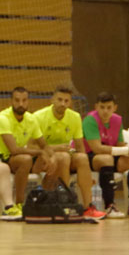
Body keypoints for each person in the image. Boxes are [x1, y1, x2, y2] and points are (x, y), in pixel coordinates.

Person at [34, 85, 106, 220]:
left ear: (70, 102)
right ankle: (64, 203)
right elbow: (32, 146)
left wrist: (86, 172)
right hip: (42, 159)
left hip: (64, 157)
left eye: (66, 101)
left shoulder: (75, 117)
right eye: (59, 100)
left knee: (82, 158)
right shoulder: (39, 117)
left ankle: (88, 207)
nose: (63, 104)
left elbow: (80, 148)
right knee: (63, 156)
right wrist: (56, 149)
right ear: (52, 100)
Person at [0, 87, 60, 211]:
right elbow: (13, 150)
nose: (21, 104)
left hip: (15, 159)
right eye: (17, 100)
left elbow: (44, 145)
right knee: (25, 159)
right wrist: (40, 152)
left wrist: (52, 157)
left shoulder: (31, 119)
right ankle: (20, 203)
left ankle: (45, 202)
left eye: (24, 100)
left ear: (28, 101)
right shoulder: (3, 119)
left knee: (58, 159)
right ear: (11, 101)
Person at [82, 92, 129, 218]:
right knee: (106, 158)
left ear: (115, 108)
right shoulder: (90, 120)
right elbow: (97, 148)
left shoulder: (117, 120)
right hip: (90, 157)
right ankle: (110, 206)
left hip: (110, 155)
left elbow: (119, 144)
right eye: (102, 107)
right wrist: (125, 151)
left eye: (109, 107)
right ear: (96, 107)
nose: (105, 111)